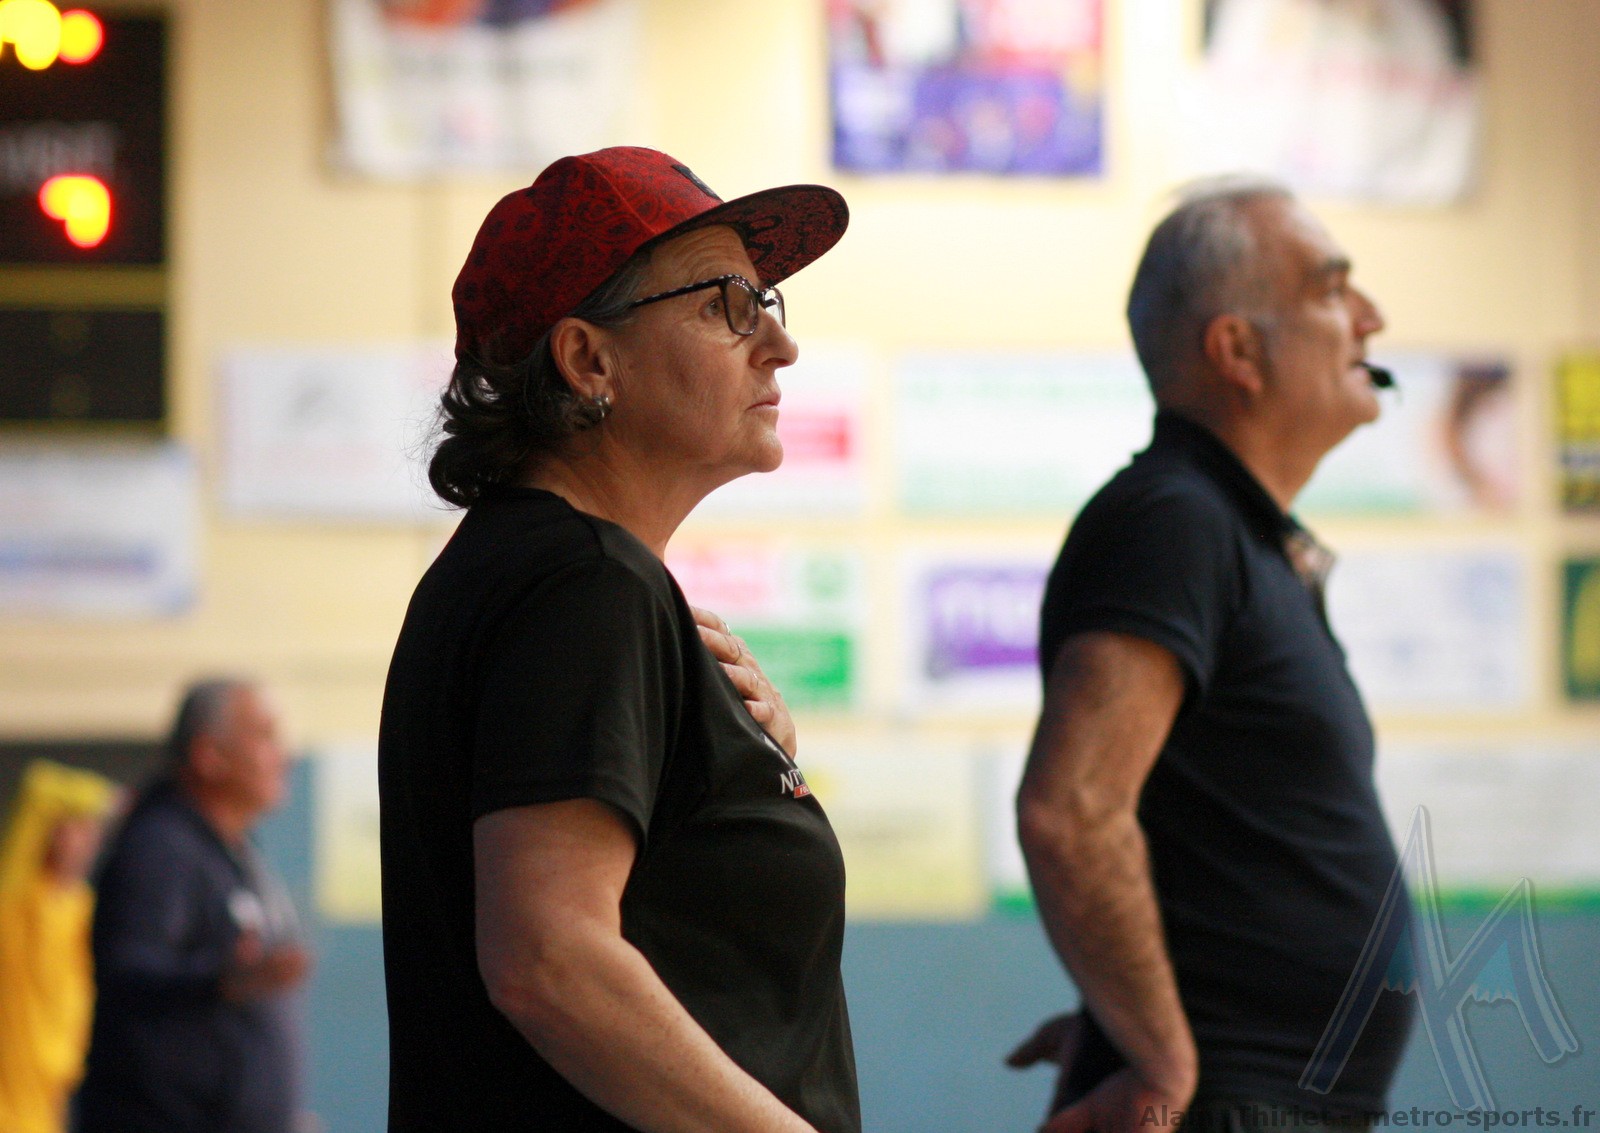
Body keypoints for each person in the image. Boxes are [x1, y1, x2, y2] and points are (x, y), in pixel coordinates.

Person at [379, 146, 858, 1133]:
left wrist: (729, 761)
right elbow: (550, 959)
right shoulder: (584, 582)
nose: (779, 343)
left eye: (768, 301)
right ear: (588, 360)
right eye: (727, 304)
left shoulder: (532, 573)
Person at [1009, 181, 1414, 1132]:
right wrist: (1158, 1055)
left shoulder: (1232, 532)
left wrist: (1122, 1020)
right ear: (1237, 350)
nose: (1371, 318)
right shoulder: (1174, 520)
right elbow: (1072, 811)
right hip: (1228, 1105)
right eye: (1332, 289)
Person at [77, 678, 311, 1133]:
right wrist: (220, 978)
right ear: (210, 756)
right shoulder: (160, 848)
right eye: (264, 736)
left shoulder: (230, 849)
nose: (283, 756)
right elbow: (128, 972)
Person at [0, 760, 116, 1133]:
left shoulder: (84, 909)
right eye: (73, 827)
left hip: (57, 1094)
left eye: (90, 830)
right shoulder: (17, 902)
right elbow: (39, 785)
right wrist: (107, 799)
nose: (84, 840)